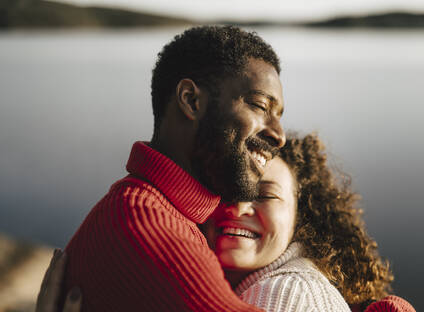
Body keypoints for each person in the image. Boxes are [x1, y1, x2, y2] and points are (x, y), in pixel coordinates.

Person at [62, 25, 286, 311]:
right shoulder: (151, 229)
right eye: (259, 105)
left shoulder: (154, 208)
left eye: (279, 116)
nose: (280, 135)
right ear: (191, 101)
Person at [202, 133, 399, 312]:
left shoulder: (287, 293)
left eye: (264, 196)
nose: (238, 208)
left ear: (300, 217)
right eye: (226, 189)